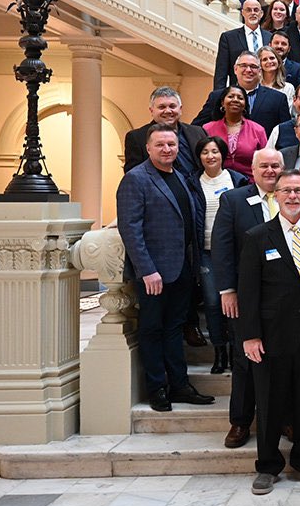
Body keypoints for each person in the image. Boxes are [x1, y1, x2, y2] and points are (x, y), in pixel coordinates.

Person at [237, 170, 300, 495]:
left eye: (298, 190)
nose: (292, 196)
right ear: (275, 196)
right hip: (270, 336)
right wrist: (250, 335)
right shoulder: (257, 237)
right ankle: (267, 466)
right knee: (269, 402)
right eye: (286, 191)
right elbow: (248, 292)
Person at [116, 124, 215, 412]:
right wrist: (146, 269)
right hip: (154, 273)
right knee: (152, 329)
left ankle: (180, 385)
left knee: (174, 328)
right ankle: (157, 388)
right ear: (148, 148)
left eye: (171, 145)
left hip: (183, 267)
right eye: (160, 145)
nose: (167, 149)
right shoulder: (136, 179)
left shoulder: (181, 177)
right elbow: (130, 229)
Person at [211, 147, 284, 448]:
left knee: (283, 361)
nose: (270, 171)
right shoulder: (233, 200)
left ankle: (285, 419)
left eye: (276, 166)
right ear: (252, 171)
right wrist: (227, 289)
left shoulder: (293, 197)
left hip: (284, 298)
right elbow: (222, 247)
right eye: (264, 166)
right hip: (247, 296)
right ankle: (240, 422)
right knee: (244, 361)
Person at [189, 136, 248, 375]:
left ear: (222, 154)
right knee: (213, 303)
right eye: (205, 152)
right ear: (199, 156)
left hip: (235, 252)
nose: (210, 156)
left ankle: (235, 350)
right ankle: (219, 351)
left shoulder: (237, 180)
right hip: (206, 252)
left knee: (235, 304)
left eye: (214, 151)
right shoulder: (192, 182)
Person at [194, 52, 291, 138]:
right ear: (235, 69)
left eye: (253, 66)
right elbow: (196, 128)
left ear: (260, 72)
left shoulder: (278, 99)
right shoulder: (217, 97)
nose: (248, 70)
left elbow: (285, 133)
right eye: (243, 65)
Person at [123, 87, 207, 178]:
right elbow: (133, 176)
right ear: (151, 110)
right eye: (162, 107)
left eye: (172, 106)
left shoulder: (198, 132)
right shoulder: (137, 138)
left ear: (180, 109)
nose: (167, 111)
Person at [201, 85, 268, 180]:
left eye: (240, 98)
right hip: (216, 183)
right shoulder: (207, 128)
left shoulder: (258, 130)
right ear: (222, 103)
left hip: (249, 185)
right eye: (231, 96)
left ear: (245, 104)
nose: (235, 100)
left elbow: (265, 161)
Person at [213, 0, 267, 90]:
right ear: (243, 13)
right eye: (248, 10)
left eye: (256, 10)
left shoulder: (270, 37)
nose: (252, 13)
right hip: (239, 91)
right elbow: (221, 72)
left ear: (261, 14)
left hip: (265, 90)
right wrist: (218, 97)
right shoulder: (229, 38)